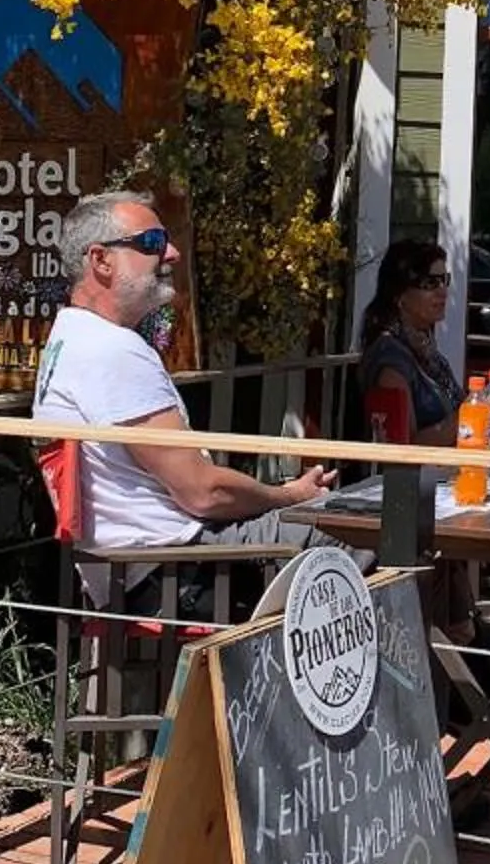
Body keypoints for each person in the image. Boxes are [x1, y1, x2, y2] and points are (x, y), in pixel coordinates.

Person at [32, 190, 337, 613]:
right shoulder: (111, 350)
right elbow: (203, 492)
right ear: (100, 261)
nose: (172, 253)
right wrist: (289, 494)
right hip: (176, 570)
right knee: (360, 533)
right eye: (152, 244)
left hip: (131, 570)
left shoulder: (68, 338)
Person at [357, 240, 460, 445]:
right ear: (400, 295)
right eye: (430, 283)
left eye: (444, 280)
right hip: (414, 476)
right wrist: (471, 417)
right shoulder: (391, 359)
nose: (442, 291)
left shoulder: (425, 350)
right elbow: (403, 446)